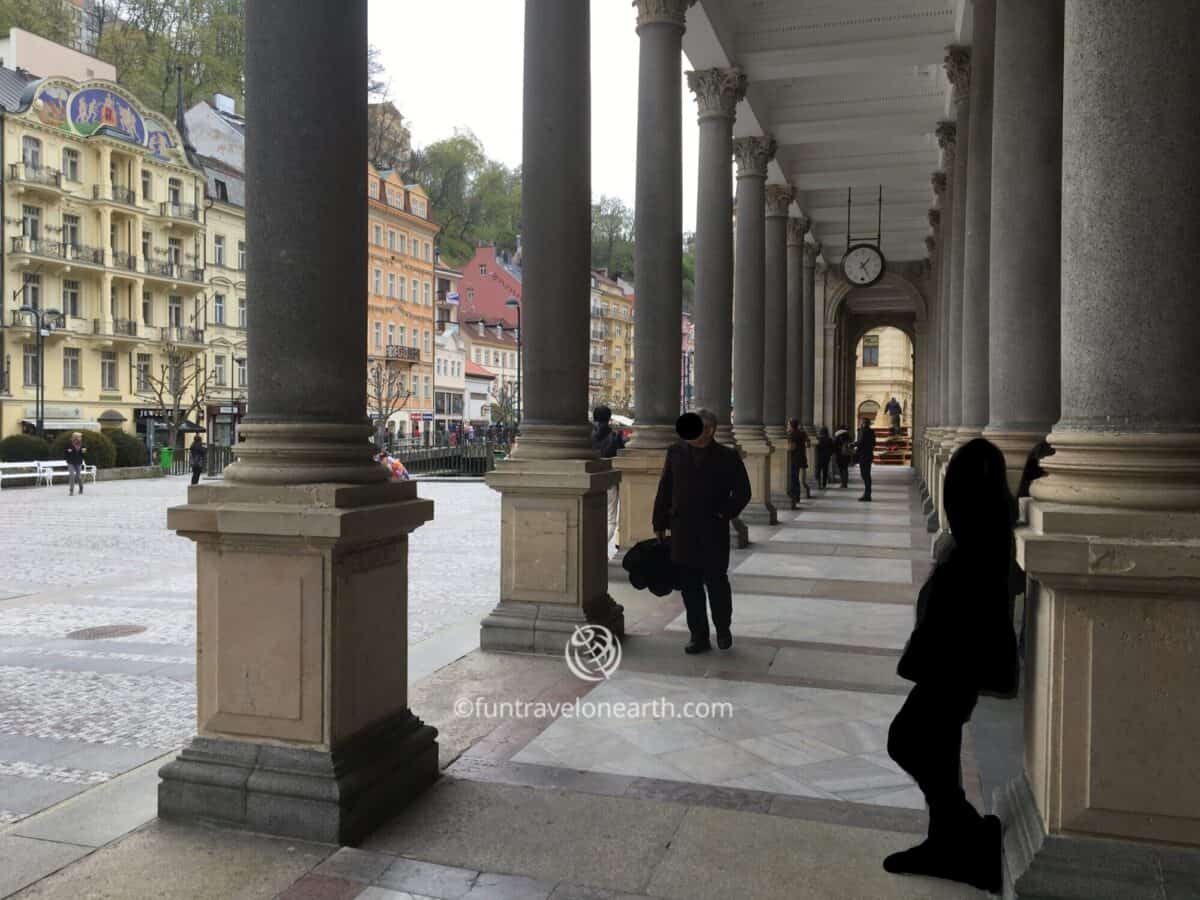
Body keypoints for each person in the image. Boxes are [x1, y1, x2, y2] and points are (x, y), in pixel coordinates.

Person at [884, 438, 1018, 894]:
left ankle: (962, 833)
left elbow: (961, 611)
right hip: (956, 665)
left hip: (953, 666)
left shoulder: (976, 548)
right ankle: (948, 839)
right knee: (935, 746)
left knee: (907, 739)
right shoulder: (986, 535)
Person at [652, 409, 751, 654]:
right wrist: (659, 522)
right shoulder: (675, 452)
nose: (700, 433)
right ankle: (698, 635)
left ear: (713, 430)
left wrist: (724, 513)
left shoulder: (728, 456)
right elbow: (665, 487)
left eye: (705, 428)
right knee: (690, 586)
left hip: (712, 530)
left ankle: (723, 629)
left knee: (717, 582)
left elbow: (743, 492)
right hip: (682, 529)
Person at [592, 406, 626, 545]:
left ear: (594, 418)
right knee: (611, 520)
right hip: (610, 482)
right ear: (609, 418)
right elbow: (623, 456)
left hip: (592, 481)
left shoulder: (587, 437)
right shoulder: (615, 436)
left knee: (593, 517)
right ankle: (600, 547)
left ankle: (594, 547)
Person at [785, 419, 808, 510]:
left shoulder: (792, 434)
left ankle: (795, 497)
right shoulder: (802, 433)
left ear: (791, 425)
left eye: (788, 425)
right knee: (796, 477)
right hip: (800, 457)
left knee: (793, 477)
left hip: (794, 458)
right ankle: (797, 496)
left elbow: (792, 447)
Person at [855, 418, 876, 501]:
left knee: (865, 475)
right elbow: (874, 443)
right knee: (867, 475)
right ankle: (868, 494)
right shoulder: (871, 432)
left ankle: (867, 495)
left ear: (864, 423)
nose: (861, 424)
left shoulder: (863, 431)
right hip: (869, 455)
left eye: (862, 422)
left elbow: (860, 442)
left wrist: (852, 445)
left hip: (863, 456)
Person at [64, 432, 86, 496]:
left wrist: (84, 451)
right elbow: (65, 452)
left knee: (78, 476)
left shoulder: (82, 444)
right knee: (72, 476)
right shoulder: (69, 444)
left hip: (78, 462)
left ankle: (81, 488)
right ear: (75, 437)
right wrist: (68, 451)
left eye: (80, 437)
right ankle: (71, 490)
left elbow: (83, 454)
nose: (80, 438)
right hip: (70, 462)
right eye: (79, 437)